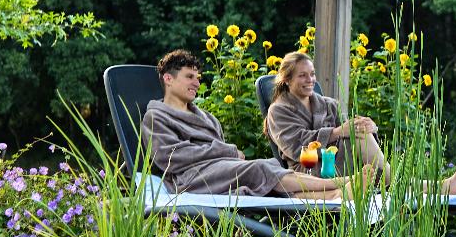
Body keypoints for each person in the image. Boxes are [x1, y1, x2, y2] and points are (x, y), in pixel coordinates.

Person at [262, 49, 456, 197]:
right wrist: (337, 132)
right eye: (302, 76)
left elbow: (347, 132)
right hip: (310, 171)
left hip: (343, 165)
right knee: (363, 143)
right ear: (287, 79)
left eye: (312, 74)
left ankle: (416, 184)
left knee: (361, 133)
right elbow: (295, 147)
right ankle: (432, 187)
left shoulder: (327, 104)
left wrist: (369, 127)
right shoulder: (278, 110)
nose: (310, 80)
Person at [141, 49, 350, 197]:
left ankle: (335, 195)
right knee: (259, 169)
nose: (197, 83)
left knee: (269, 168)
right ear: (168, 79)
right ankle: (336, 183)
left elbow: (221, 153)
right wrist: (229, 151)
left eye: (198, 77)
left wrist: (229, 155)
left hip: (220, 170)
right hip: (190, 178)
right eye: (189, 77)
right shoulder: (157, 117)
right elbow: (171, 157)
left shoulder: (207, 118)